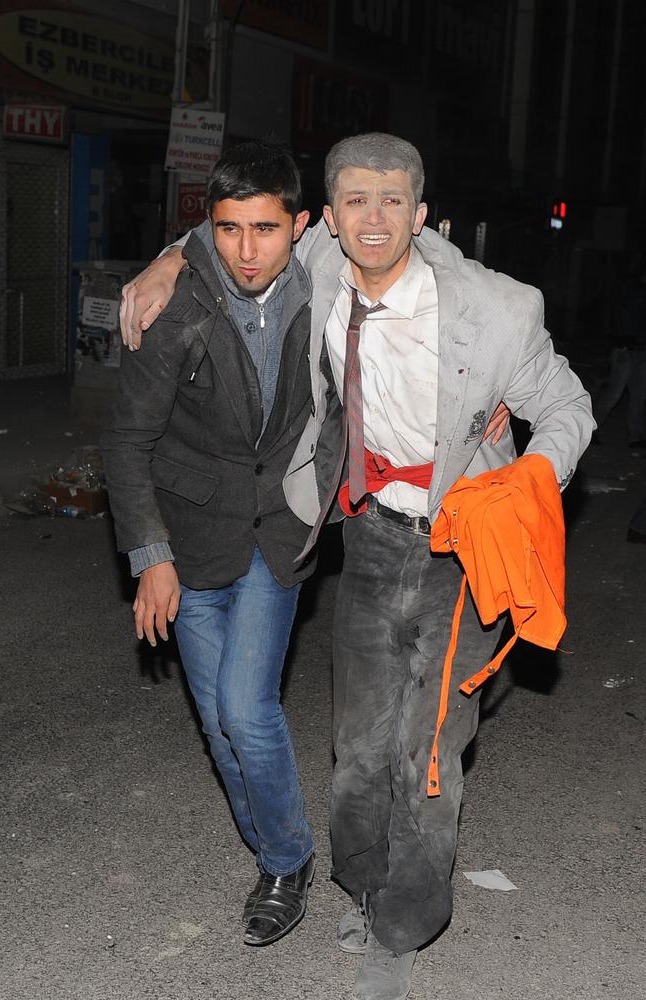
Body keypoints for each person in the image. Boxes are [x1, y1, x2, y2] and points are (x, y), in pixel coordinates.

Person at [119, 133, 594, 1000]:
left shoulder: (497, 310)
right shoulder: (321, 269)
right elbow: (229, 230)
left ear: (421, 213)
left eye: (392, 200)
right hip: (368, 538)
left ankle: (405, 925)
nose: (372, 217)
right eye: (355, 201)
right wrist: (158, 267)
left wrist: (526, 477)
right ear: (329, 220)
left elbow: (567, 405)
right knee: (359, 747)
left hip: (460, 539)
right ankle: (364, 883)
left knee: (430, 747)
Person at [101, 140, 318, 949]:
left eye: (265, 227)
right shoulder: (176, 310)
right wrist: (149, 556)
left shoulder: (323, 288)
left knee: (245, 708)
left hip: (279, 528)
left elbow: (402, 243)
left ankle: (288, 860)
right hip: (191, 537)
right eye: (228, 230)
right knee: (217, 722)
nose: (247, 250)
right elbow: (125, 443)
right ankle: (272, 850)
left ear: (298, 225)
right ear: (209, 227)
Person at [593, 258, 646, 447]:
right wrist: (623, 343)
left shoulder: (636, 291)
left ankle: (636, 435)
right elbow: (623, 318)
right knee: (613, 394)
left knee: (638, 395)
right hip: (626, 351)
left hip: (639, 351)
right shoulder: (630, 291)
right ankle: (590, 429)